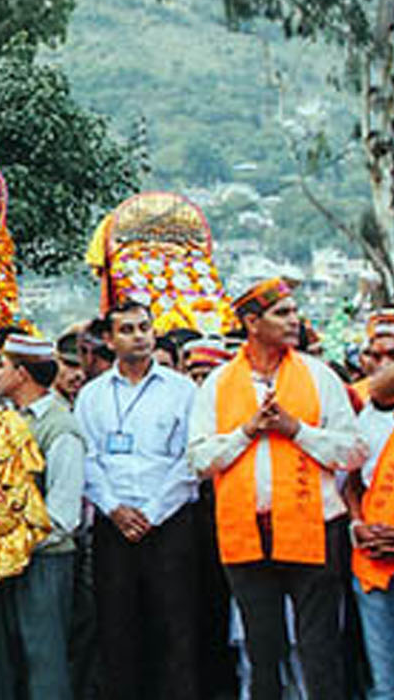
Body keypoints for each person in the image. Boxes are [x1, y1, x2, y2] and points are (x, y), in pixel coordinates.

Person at [189, 277, 366, 700]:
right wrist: (247, 431)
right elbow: (197, 461)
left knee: (319, 649)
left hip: (315, 529)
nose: (294, 321)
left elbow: (353, 452)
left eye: (293, 311)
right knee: (261, 651)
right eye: (281, 313)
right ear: (252, 322)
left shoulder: (320, 377)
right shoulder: (217, 384)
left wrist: (296, 430)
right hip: (247, 531)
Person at [75, 296, 202, 700]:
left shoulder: (182, 391)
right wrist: (114, 509)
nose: (139, 337)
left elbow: (190, 460)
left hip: (169, 523)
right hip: (115, 525)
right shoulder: (92, 395)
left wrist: (149, 513)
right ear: (109, 341)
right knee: (118, 627)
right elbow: (88, 459)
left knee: (176, 626)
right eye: (127, 330)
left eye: (144, 328)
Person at [0, 333, 82, 700]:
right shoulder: (0, 421)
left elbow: (64, 512)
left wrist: (15, 543)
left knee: (43, 658)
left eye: (1, 366)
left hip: (42, 558)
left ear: (21, 373)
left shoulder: (59, 427)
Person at [347, 343, 394, 700]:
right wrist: (358, 524)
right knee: (382, 683)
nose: (379, 365)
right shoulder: (359, 416)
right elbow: (350, 482)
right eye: (373, 356)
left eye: (390, 356)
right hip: (372, 561)